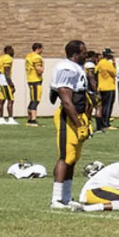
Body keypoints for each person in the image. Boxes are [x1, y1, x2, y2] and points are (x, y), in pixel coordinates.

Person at [48, 40, 92, 210]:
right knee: (65, 157)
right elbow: (66, 100)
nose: (86, 54)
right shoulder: (66, 68)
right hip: (68, 117)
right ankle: (56, 198)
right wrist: (78, 122)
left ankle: (66, 197)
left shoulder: (77, 68)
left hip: (78, 116)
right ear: (75, 53)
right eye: (83, 51)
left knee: (73, 158)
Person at [95, 49, 119, 131]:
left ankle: (102, 122)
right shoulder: (107, 63)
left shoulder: (100, 63)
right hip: (109, 87)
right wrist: (114, 63)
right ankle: (106, 123)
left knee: (103, 106)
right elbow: (115, 73)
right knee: (108, 106)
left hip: (101, 87)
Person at [0, 45, 16, 125]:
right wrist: (11, 84)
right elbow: (6, 72)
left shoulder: (1, 58)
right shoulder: (8, 58)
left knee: (2, 100)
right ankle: (10, 118)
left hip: (1, 80)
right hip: (5, 81)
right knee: (10, 100)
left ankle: (1, 118)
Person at [24, 43, 43, 125]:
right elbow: (39, 70)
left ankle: (29, 119)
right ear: (38, 49)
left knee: (32, 100)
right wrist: (42, 68)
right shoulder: (37, 57)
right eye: (41, 49)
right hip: (35, 80)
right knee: (36, 100)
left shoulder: (28, 56)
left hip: (30, 79)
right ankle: (33, 120)